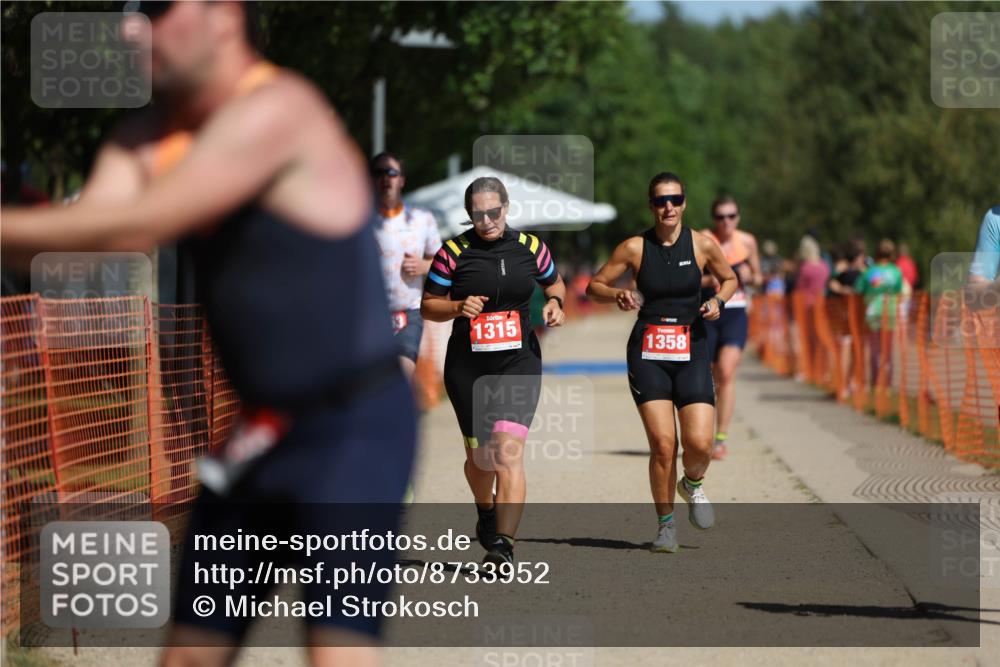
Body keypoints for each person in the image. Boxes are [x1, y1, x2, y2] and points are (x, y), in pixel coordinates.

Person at [2, 2, 415, 666]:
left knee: (336, 654)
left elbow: (137, 224)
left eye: (160, 10)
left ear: (224, 16)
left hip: (353, 426)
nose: (133, 29)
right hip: (256, 436)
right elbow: (93, 232)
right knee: (191, 655)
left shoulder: (280, 109)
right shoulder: (145, 133)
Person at [587, 172, 737, 553]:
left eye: (674, 199)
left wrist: (718, 301)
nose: (668, 206)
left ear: (684, 202)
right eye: (660, 200)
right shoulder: (635, 247)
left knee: (700, 443)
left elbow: (730, 278)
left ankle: (693, 484)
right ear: (651, 206)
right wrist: (617, 294)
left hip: (691, 348)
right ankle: (666, 526)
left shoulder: (703, 243)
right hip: (648, 351)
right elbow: (594, 285)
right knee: (663, 444)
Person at [421, 176, 566, 566]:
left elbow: (556, 284)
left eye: (493, 211)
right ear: (469, 215)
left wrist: (555, 302)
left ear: (506, 206)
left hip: (519, 361)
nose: (486, 220)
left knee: (507, 452)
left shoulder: (531, 247)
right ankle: (485, 509)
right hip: (468, 365)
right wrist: (456, 307)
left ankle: (503, 544)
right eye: (477, 214)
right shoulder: (452, 253)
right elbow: (428, 305)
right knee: (481, 460)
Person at [370, 151, 442, 380]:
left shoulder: (421, 219)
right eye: (378, 173)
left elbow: (444, 263)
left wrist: (424, 266)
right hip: (369, 313)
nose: (385, 178)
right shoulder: (359, 219)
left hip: (408, 312)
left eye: (391, 173)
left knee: (401, 376)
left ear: (401, 179)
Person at [701, 195, 762, 460]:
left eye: (731, 216)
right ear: (713, 219)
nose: (726, 222)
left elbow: (759, 278)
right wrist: (712, 280)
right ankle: (701, 433)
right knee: (707, 376)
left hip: (736, 312)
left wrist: (751, 276)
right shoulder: (704, 240)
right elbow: (689, 278)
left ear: (738, 217)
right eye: (720, 217)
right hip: (708, 312)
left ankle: (720, 438)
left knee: (725, 371)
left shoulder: (747, 242)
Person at [854, 239, 905, 388]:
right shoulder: (896, 272)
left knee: (875, 350)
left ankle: (876, 383)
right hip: (889, 312)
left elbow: (858, 290)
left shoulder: (870, 272)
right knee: (888, 351)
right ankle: (887, 384)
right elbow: (898, 290)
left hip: (872, 312)